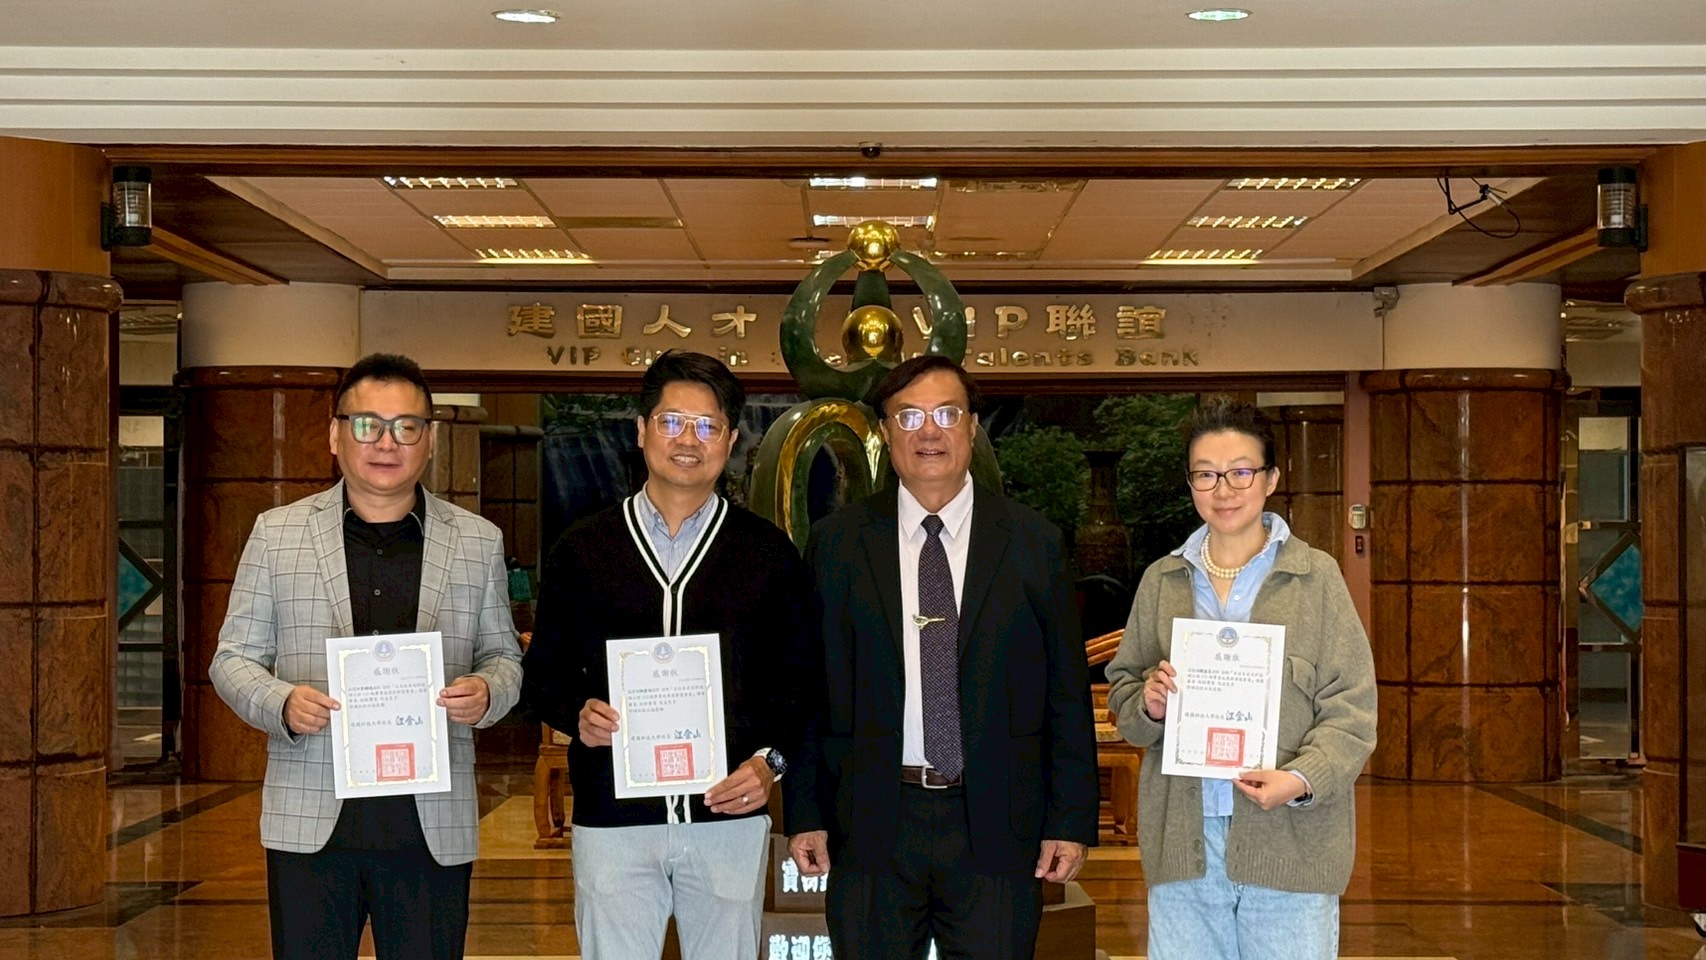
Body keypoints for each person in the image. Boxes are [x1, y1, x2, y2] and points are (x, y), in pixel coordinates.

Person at [209, 352, 524, 960]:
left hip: (429, 825)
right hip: (312, 821)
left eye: (406, 426)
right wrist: (282, 702)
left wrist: (488, 692)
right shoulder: (277, 533)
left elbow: (503, 656)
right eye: (366, 424)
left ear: (429, 440)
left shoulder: (477, 540)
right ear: (335, 435)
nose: (386, 442)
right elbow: (232, 658)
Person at [785, 355, 1099, 958]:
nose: (928, 431)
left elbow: (1066, 691)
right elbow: (811, 689)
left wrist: (1070, 819)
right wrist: (805, 810)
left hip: (998, 822)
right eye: (908, 416)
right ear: (885, 432)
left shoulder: (1033, 541)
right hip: (871, 820)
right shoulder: (837, 542)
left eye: (946, 414)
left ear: (973, 426)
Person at [521, 350, 814, 959]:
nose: (688, 440)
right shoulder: (584, 548)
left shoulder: (767, 554)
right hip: (613, 817)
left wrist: (770, 765)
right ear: (641, 430)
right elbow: (543, 674)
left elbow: (800, 685)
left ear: (731, 439)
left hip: (727, 816)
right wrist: (577, 713)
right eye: (672, 421)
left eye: (708, 425)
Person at [1106, 398, 1377, 960]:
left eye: (1240, 472)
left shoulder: (1316, 578)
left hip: (1290, 844)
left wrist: (1300, 779)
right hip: (1184, 847)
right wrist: (1149, 704)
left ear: (1270, 479)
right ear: (1191, 484)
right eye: (1206, 474)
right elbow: (1125, 695)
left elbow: (1352, 711)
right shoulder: (1162, 580)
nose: (1223, 489)